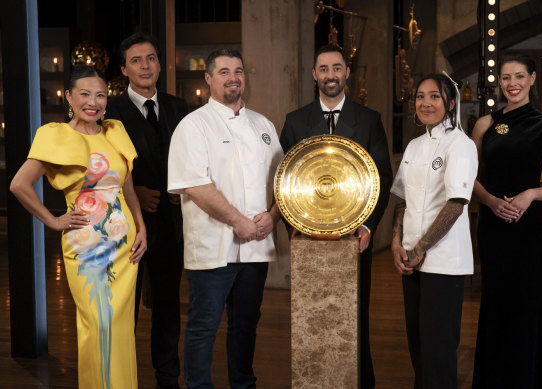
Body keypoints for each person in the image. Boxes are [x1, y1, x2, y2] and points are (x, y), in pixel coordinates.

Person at [10, 65, 146, 388]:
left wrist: (141, 228)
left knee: (121, 326)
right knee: (98, 324)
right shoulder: (55, 136)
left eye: (100, 95)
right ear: (69, 97)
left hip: (125, 246)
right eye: (84, 94)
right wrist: (54, 221)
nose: (93, 102)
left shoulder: (115, 131)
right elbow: (19, 185)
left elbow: (128, 189)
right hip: (85, 248)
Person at [167, 48, 283, 389]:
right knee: (204, 326)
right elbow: (195, 185)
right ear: (208, 79)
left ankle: (243, 384)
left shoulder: (263, 124)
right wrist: (239, 221)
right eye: (224, 72)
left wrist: (273, 217)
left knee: (246, 323)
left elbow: (282, 181)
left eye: (239, 71)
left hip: (257, 245)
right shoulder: (193, 126)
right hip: (213, 247)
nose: (233, 77)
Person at [279, 44, 392, 388]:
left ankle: (359, 382)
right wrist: (293, 228)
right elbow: (283, 177)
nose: (331, 75)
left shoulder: (369, 119)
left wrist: (369, 226)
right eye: (324, 69)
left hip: (354, 238)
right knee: (311, 316)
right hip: (308, 239)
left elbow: (382, 177)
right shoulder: (295, 121)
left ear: (347, 73)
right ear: (315, 75)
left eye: (337, 68)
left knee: (354, 316)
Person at [471, 54, 542, 388]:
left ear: (533, 79)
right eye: (506, 77)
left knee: (528, 304)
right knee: (495, 302)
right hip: (493, 226)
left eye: (519, 76)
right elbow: (468, 179)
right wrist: (492, 202)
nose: (512, 83)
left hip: (529, 228)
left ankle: (530, 380)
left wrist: (529, 195)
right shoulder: (484, 125)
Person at [105, 32, 187, 389]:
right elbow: (99, 166)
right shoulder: (109, 111)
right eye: (136, 60)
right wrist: (132, 191)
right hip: (124, 227)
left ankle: (167, 378)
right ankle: (120, 377)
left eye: (151, 58)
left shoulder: (179, 107)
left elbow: (192, 160)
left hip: (171, 225)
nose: (145, 65)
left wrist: (181, 191)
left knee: (168, 307)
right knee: (125, 305)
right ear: (124, 69)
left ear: (159, 64)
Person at [391, 73, 478, 388]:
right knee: (417, 345)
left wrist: (420, 249)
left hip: (442, 260)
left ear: (450, 103)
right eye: (419, 96)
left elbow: (456, 204)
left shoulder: (460, 145)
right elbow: (402, 199)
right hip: (411, 257)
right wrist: (396, 242)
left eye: (434, 97)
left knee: (438, 348)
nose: (425, 103)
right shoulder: (414, 146)